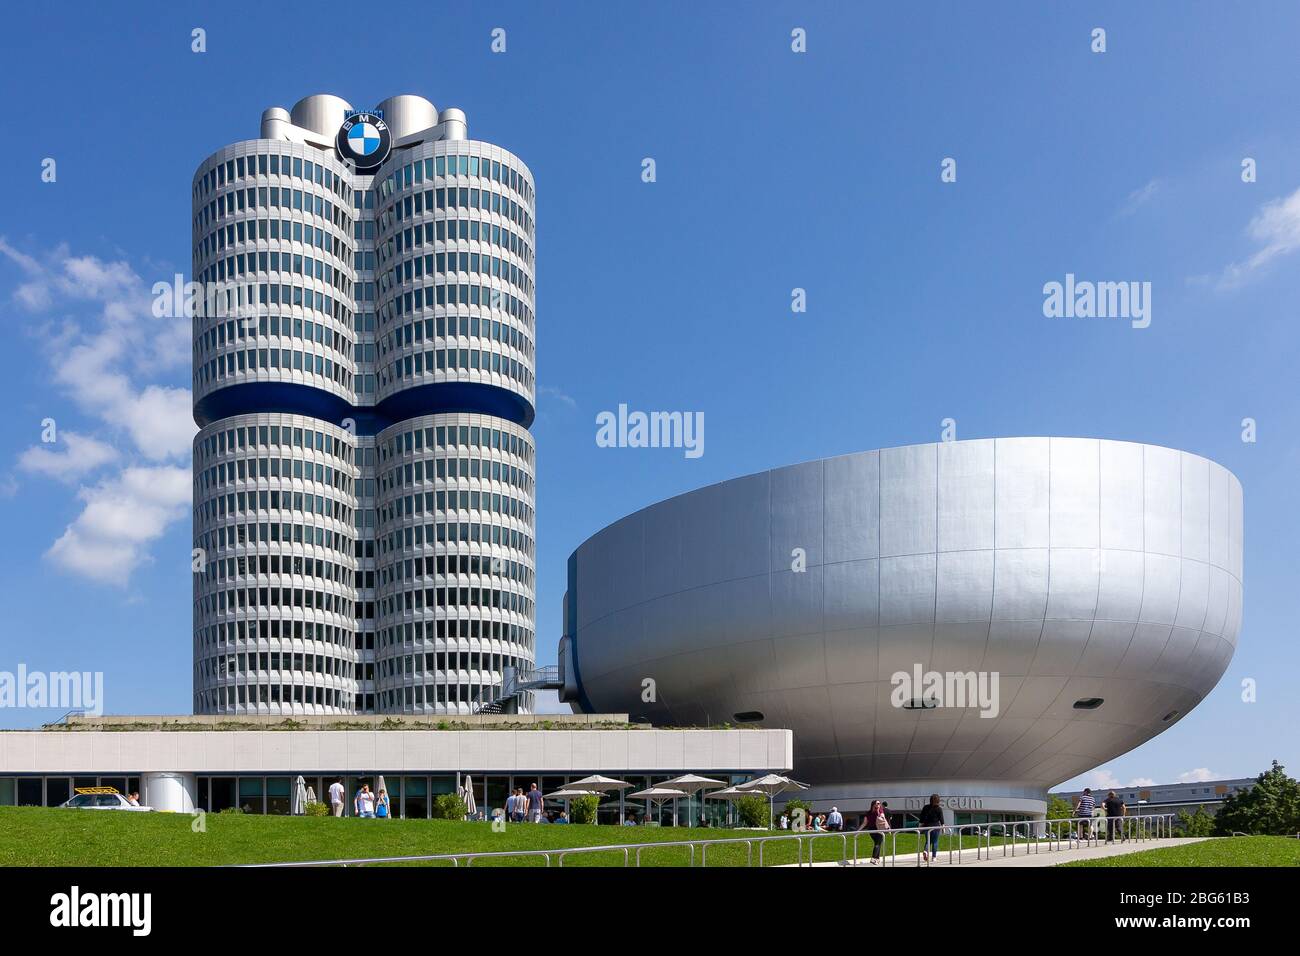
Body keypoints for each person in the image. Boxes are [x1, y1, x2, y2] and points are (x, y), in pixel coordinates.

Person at [856, 799, 890, 864]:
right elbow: (865, 823)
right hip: (877, 829)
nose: (879, 805)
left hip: (872, 830)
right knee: (878, 844)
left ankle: (877, 859)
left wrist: (858, 831)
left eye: (879, 803)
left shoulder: (871, 812)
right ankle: (873, 858)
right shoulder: (878, 811)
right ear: (873, 804)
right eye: (877, 803)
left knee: (877, 843)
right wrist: (858, 831)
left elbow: (865, 823)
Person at [918, 794, 944, 862]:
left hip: (927, 826)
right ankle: (934, 857)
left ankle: (925, 851)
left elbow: (922, 818)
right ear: (938, 801)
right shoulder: (939, 809)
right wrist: (943, 828)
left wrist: (920, 826)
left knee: (928, 841)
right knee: (935, 842)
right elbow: (941, 819)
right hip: (936, 827)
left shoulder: (926, 807)